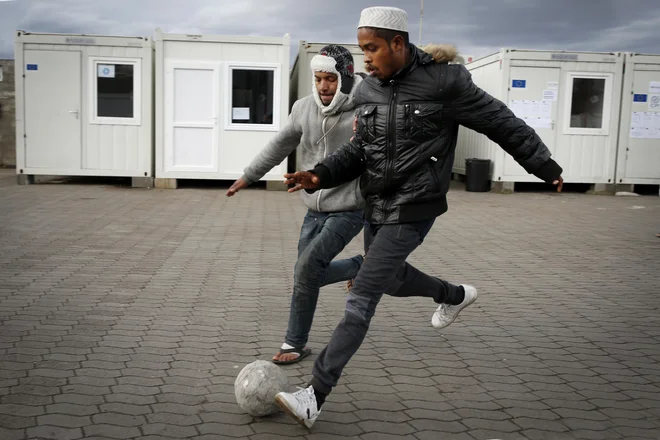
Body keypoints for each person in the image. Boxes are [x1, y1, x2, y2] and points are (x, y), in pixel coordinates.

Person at [274, 6, 564, 429]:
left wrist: (544, 165)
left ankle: (314, 395)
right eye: (362, 49)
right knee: (392, 280)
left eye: (372, 48)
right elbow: (358, 151)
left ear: (398, 43)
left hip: (415, 206)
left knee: (362, 297)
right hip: (376, 204)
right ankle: (453, 295)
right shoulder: (369, 90)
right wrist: (318, 174)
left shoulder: (446, 82)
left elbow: (501, 122)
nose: (366, 59)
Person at [226, 45, 366, 365]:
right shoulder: (303, 108)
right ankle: (360, 267)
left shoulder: (363, 105)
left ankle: (293, 342)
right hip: (313, 209)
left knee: (306, 269)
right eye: (318, 79)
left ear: (343, 77)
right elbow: (280, 144)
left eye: (330, 79)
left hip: (350, 205)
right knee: (305, 275)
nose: (323, 86)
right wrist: (249, 176)